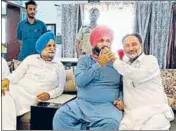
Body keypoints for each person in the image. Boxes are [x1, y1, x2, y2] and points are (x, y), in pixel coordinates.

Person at [53, 25, 123, 130]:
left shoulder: (117, 63)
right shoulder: (84, 60)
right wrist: (99, 64)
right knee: (60, 117)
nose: (105, 44)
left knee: (112, 124)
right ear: (94, 43)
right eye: (101, 40)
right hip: (82, 104)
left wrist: (121, 99)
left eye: (108, 41)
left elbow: (125, 86)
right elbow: (79, 82)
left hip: (106, 106)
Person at [1, 32, 66, 129]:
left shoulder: (59, 65)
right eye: (49, 46)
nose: (52, 48)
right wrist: (7, 80)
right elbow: (16, 75)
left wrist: (49, 94)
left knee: (5, 98)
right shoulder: (30, 59)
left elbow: (60, 88)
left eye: (54, 46)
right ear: (41, 47)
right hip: (19, 90)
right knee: (4, 94)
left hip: (35, 97)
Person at [111, 33, 174, 130]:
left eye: (134, 44)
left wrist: (114, 60)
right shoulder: (124, 65)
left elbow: (138, 76)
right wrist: (121, 100)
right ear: (123, 49)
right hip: (131, 117)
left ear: (141, 45)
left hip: (155, 114)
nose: (131, 48)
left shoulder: (150, 60)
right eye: (127, 46)